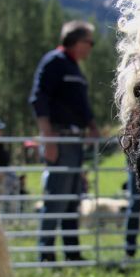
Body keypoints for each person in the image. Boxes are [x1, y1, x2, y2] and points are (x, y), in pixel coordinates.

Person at [29, 20, 100, 263]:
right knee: (56, 199)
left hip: (75, 140)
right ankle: (46, 254)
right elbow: (39, 98)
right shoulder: (54, 62)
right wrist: (48, 137)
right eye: (89, 42)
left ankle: (72, 253)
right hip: (59, 137)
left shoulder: (74, 68)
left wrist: (91, 126)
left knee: (72, 200)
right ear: (75, 41)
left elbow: (80, 105)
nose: (91, 47)